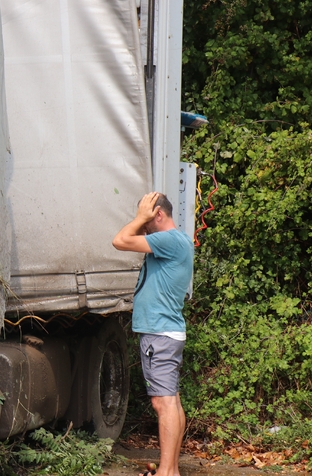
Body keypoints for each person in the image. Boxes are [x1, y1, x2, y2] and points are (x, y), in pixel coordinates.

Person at [112, 192, 194, 476]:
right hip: (166, 332)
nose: (144, 225)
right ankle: (170, 470)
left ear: (158, 214)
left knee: (163, 403)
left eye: (148, 217)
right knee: (172, 400)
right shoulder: (178, 241)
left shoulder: (168, 239)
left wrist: (139, 218)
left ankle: (167, 473)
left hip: (159, 333)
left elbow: (120, 241)